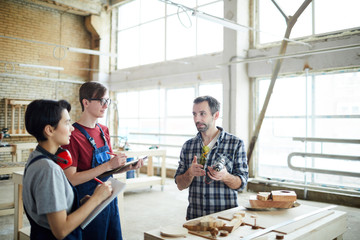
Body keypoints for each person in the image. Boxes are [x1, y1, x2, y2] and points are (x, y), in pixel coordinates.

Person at [62, 81, 144, 240]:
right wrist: (108, 165)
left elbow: (109, 169)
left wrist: (127, 167)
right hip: (87, 202)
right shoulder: (73, 135)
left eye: (108, 101)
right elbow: (71, 179)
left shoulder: (103, 130)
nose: (106, 105)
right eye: (101, 101)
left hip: (109, 198)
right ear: (85, 102)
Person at [23, 99, 113, 240]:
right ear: (49, 130)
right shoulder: (49, 169)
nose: (72, 128)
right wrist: (96, 199)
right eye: (66, 123)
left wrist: (80, 204)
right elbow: (61, 230)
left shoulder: (36, 157)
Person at [175, 96, 249, 220]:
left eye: (202, 114)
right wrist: (190, 173)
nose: (197, 119)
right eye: (194, 114)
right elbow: (180, 185)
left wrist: (225, 176)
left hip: (225, 219)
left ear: (215, 115)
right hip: (195, 219)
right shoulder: (188, 146)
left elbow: (242, 184)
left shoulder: (235, 144)